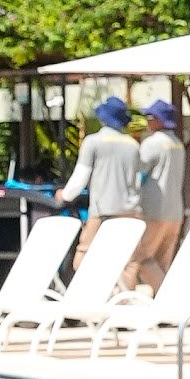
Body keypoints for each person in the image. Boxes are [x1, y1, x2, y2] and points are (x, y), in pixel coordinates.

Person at [56, 95, 145, 272]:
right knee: (126, 262)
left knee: (84, 256)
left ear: (103, 118)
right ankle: (123, 298)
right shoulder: (133, 145)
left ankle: (85, 293)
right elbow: (137, 180)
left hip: (103, 211)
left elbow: (81, 176)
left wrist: (65, 195)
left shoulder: (93, 142)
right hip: (130, 211)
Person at [136, 97, 188, 289]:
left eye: (150, 117)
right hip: (175, 212)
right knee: (162, 262)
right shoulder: (178, 144)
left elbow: (137, 171)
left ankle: (167, 294)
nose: (147, 121)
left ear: (158, 120)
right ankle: (163, 312)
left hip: (154, 211)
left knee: (139, 258)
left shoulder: (153, 143)